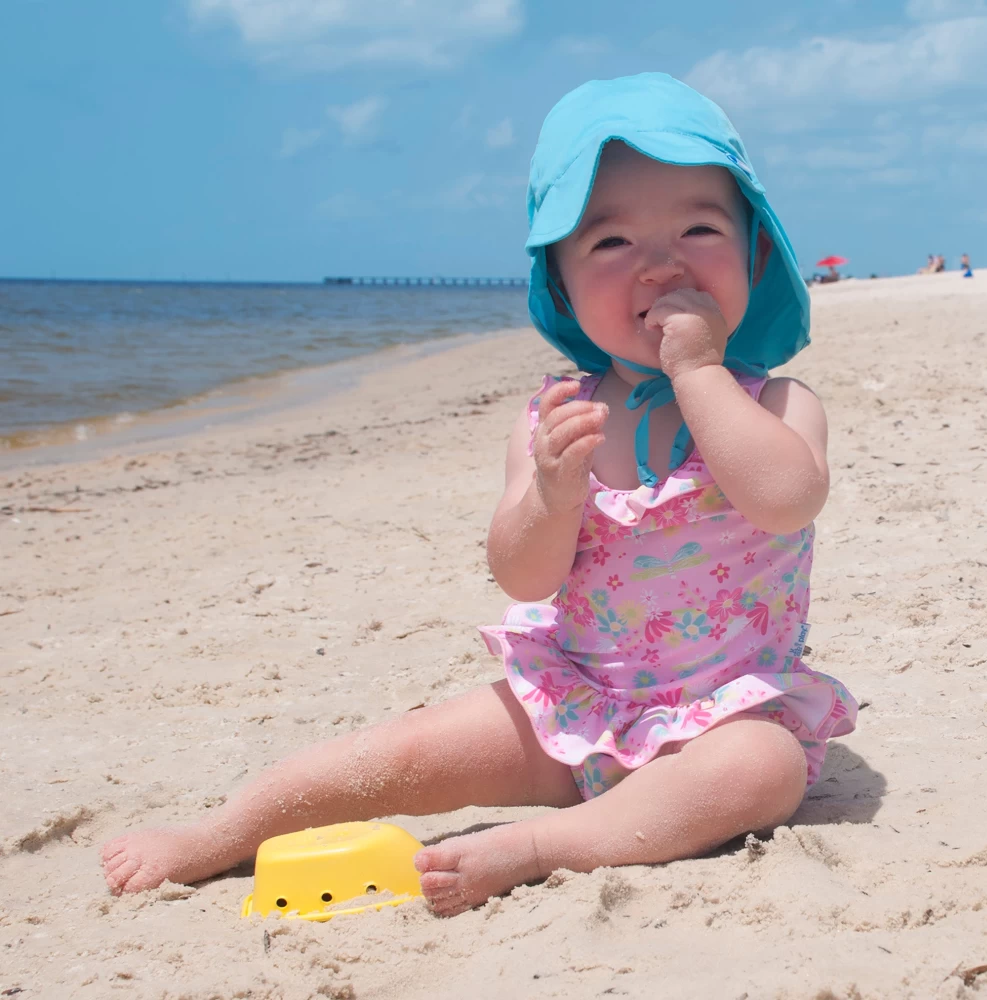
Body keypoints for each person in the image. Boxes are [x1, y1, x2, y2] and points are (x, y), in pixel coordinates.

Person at [101, 73, 858, 916]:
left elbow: (786, 498)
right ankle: (219, 833)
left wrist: (699, 372)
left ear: (754, 253)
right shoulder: (556, 418)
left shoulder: (776, 403)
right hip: (575, 708)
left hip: (725, 717)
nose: (660, 264)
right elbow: (524, 576)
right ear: (562, 283)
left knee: (765, 771)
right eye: (610, 244)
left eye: (699, 228)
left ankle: (544, 845)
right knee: (399, 750)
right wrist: (550, 495)